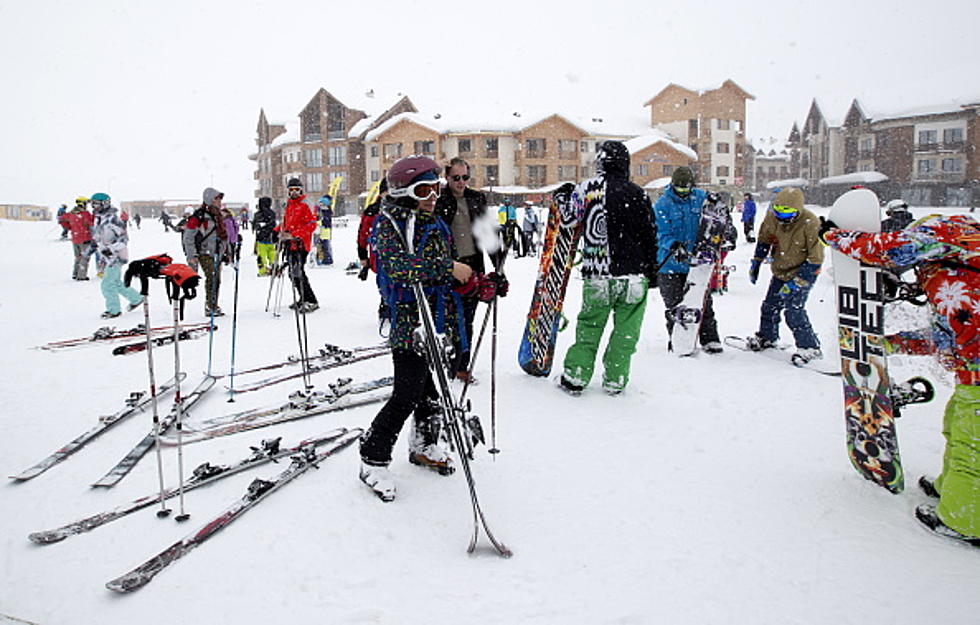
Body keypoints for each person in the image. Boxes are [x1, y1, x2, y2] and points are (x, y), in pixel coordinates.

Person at [820, 212, 980, 545]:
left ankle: (965, 520)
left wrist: (836, 238)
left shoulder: (949, 232)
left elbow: (888, 249)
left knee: (972, 446)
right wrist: (888, 343)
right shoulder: (960, 269)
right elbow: (945, 338)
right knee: (957, 425)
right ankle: (952, 489)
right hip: (971, 375)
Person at [359, 155, 503, 501]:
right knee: (407, 392)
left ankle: (423, 443)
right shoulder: (390, 222)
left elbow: (448, 272)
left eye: (434, 188)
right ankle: (372, 457)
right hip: (411, 320)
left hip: (437, 316)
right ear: (405, 192)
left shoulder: (434, 220)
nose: (433, 195)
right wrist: (448, 268)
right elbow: (395, 267)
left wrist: (476, 285)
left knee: (428, 388)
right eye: (424, 190)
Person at [558, 141, 658, 396]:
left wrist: (562, 198)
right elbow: (650, 235)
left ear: (600, 162)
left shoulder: (587, 190)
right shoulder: (639, 194)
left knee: (590, 327)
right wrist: (652, 272)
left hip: (598, 274)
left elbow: (569, 221)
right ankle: (616, 378)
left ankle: (576, 376)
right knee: (626, 332)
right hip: (634, 276)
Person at [435, 157, 498, 382]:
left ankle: (462, 366)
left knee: (466, 320)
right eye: (456, 178)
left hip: (473, 266)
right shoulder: (439, 200)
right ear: (447, 177)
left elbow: (488, 233)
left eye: (465, 177)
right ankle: (445, 362)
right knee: (449, 319)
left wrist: (498, 267)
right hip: (449, 267)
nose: (461, 182)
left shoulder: (476, 198)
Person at [745, 187, 823, 361]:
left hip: (803, 271)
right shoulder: (772, 217)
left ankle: (810, 347)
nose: (781, 217)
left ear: (797, 210)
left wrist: (797, 282)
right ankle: (768, 337)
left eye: (786, 213)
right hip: (781, 269)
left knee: (793, 310)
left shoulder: (811, 223)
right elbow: (764, 239)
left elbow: (816, 258)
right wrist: (756, 261)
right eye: (778, 211)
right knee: (769, 306)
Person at [654, 166, 723, 354]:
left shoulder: (700, 198)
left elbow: (715, 217)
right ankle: (678, 339)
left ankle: (709, 339)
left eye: (687, 188)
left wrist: (716, 203)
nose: (683, 192)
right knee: (675, 305)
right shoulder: (662, 204)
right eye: (680, 188)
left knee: (704, 303)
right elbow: (659, 233)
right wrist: (673, 244)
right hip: (670, 264)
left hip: (697, 263)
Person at [90, 192, 142, 318]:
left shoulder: (113, 219)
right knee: (116, 282)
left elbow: (123, 239)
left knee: (107, 284)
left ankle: (114, 310)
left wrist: (111, 249)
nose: (94, 207)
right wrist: (93, 245)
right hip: (107, 256)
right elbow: (99, 235)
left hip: (116, 256)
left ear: (105, 203)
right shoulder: (99, 218)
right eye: (93, 204)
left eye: (97, 204)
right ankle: (136, 298)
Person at [182, 187, 229, 316]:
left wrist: (226, 252)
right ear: (209, 200)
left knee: (216, 279)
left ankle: (213, 304)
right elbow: (188, 237)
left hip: (216, 252)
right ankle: (211, 306)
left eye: (220, 199)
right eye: (216, 199)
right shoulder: (199, 216)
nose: (219, 202)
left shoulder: (217, 215)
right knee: (212, 277)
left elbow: (223, 236)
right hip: (204, 252)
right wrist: (191, 255)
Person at [278, 178, 318, 313]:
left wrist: (295, 234)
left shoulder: (305, 205)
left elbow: (311, 225)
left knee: (297, 271)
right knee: (292, 272)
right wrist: (276, 231)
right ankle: (303, 297)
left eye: (297, 190)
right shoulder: (289, 205)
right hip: (290, 245)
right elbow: (286, 224)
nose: (294, 193)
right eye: (291, 190)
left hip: (301, 244)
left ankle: (311, 300)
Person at [65, 197, 95, 280]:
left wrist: (71, 228)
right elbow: (92, 222)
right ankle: (81, 276)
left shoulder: (71, 213)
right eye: (86, 203)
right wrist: (94, 215)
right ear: (83, 204)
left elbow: (63, 220)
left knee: (78, 257)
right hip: (84, 239)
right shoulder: (85, 214)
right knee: (85, 257)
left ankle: (75, 273)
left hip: (75, 239)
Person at [252, 196, 278, 277]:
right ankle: (274, 268)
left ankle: (263, 270)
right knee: (272, 254)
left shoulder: (258, 214)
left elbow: (255, 225)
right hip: (271, 238)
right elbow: (274, 225)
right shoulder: (272, 213)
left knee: (261, 256)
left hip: (261, 239)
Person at [316, 195, 334, 266]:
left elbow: (324, 221)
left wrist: (319, 222)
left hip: (324, 230)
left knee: (324, 245)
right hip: (322, 230)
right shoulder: (324, 210)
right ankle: (324, 258)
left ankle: (327, 259)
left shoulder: (325, 211)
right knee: (322, 245)